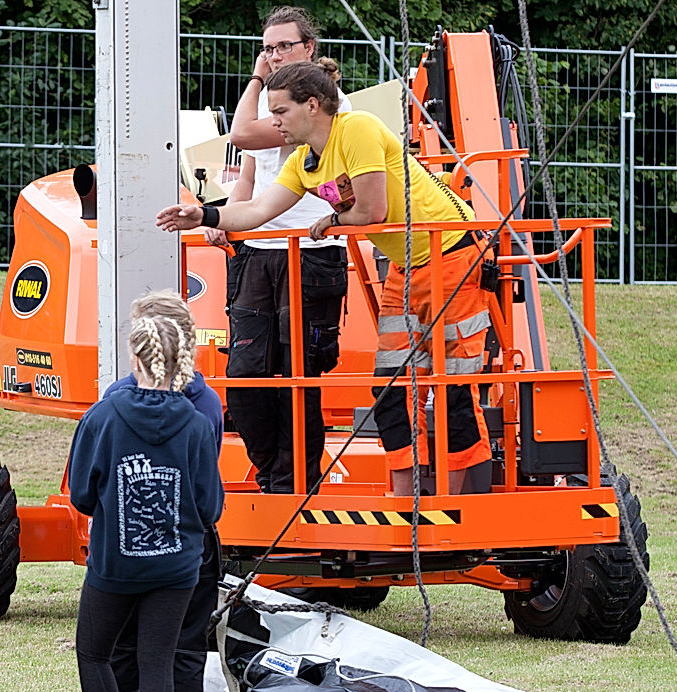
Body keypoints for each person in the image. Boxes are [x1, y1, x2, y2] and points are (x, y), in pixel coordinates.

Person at [157, 59, 492, 496]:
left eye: (280, 112)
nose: (273, 123)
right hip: (408, 268)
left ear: (312, 105)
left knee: (453, 388)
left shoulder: (358, 129)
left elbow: (373, 211)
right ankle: (409, 501)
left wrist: (333, 220)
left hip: (452, 255)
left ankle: (457, 504)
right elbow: (259, 210)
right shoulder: (303, 160)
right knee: (391, 386)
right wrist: (203, 213)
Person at [68, 300, 224, 692]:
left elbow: (82, 494)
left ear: (134, 360)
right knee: (160, 660)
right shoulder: (199, 422)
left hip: (116, 562)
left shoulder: (105, 414)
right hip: (177, 566)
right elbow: (209, 505)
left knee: (94, 652)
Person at [210, 6, 351, 495]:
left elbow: (242, 132)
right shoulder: (272, 107)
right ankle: (273, 472)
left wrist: (253, 78)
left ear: (308, 49)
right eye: (266, 47)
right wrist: (225, 218)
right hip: (260, 251)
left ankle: (296, 483)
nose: (272, 56)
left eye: (283, 46)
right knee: (246, 373)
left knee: (299, 373)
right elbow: (249, 172)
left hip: (309, 250)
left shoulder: (324, 105)